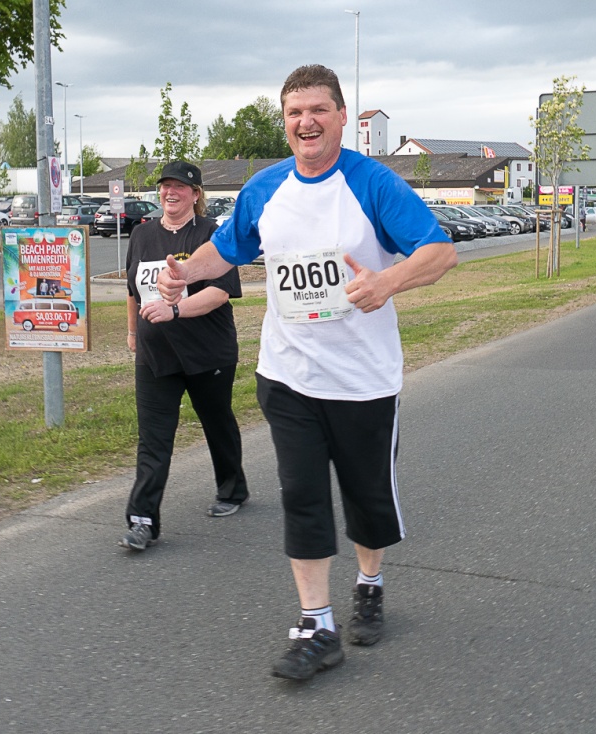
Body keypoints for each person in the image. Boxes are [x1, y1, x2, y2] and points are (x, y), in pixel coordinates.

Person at [156, 64, 457, 681]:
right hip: (288, 373)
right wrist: (186, 270)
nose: (306, 122)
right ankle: (316, 624)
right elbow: (231, 248)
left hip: (363, 379)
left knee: (366, 500)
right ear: (285, 123)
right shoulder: (266, 188)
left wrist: (387, 281)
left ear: (342, 117)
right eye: (295, 113)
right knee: (303, 496)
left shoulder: (373, 184)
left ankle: (369, 583)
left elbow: (439, 249)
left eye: (318, 109)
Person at [120, 160, 249, 552]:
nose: (170, 193)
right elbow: (132, 289)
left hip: (207, 352)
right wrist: (132, 332)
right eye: (165, 186)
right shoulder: (143, 236)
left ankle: (232, 488)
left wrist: (174, 310)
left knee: (217, 422)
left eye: (180, 187)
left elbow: (219, 293)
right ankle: (142, 520)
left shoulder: (212, 234)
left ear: (196, 195)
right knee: (153, 439)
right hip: (156, 355)